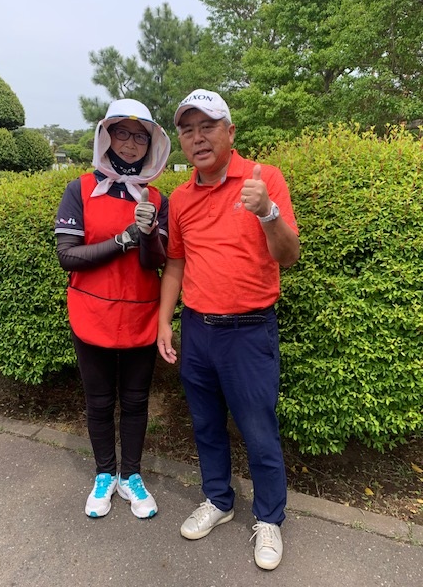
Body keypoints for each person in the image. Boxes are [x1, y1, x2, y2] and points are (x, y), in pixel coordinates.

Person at [157, 89, 299, 570]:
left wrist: (267, 212)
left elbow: (289, 256)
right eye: (188, 130)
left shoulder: (264, 179)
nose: (197, 138)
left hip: (249, 331)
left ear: (230, 132)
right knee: (206, 425)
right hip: (197, 329)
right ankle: (219, 500)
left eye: (208, 126)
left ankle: (269, 518)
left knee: (259, 430)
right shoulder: (180, 198)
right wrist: (164, 322)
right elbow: (176, 263)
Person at [55, 98, 171, 520]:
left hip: (141, 313)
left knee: (136, 400)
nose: (130, 143)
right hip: (92, 314)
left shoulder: (156, 198)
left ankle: (131, 476)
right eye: (122, 133)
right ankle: (104, 473)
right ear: (106, 136)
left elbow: (155, 262)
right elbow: (68, 256)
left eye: (140, 136)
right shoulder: (80, 189)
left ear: (151, 145)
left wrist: (148, 233)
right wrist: (123, 239)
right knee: (100, 400)